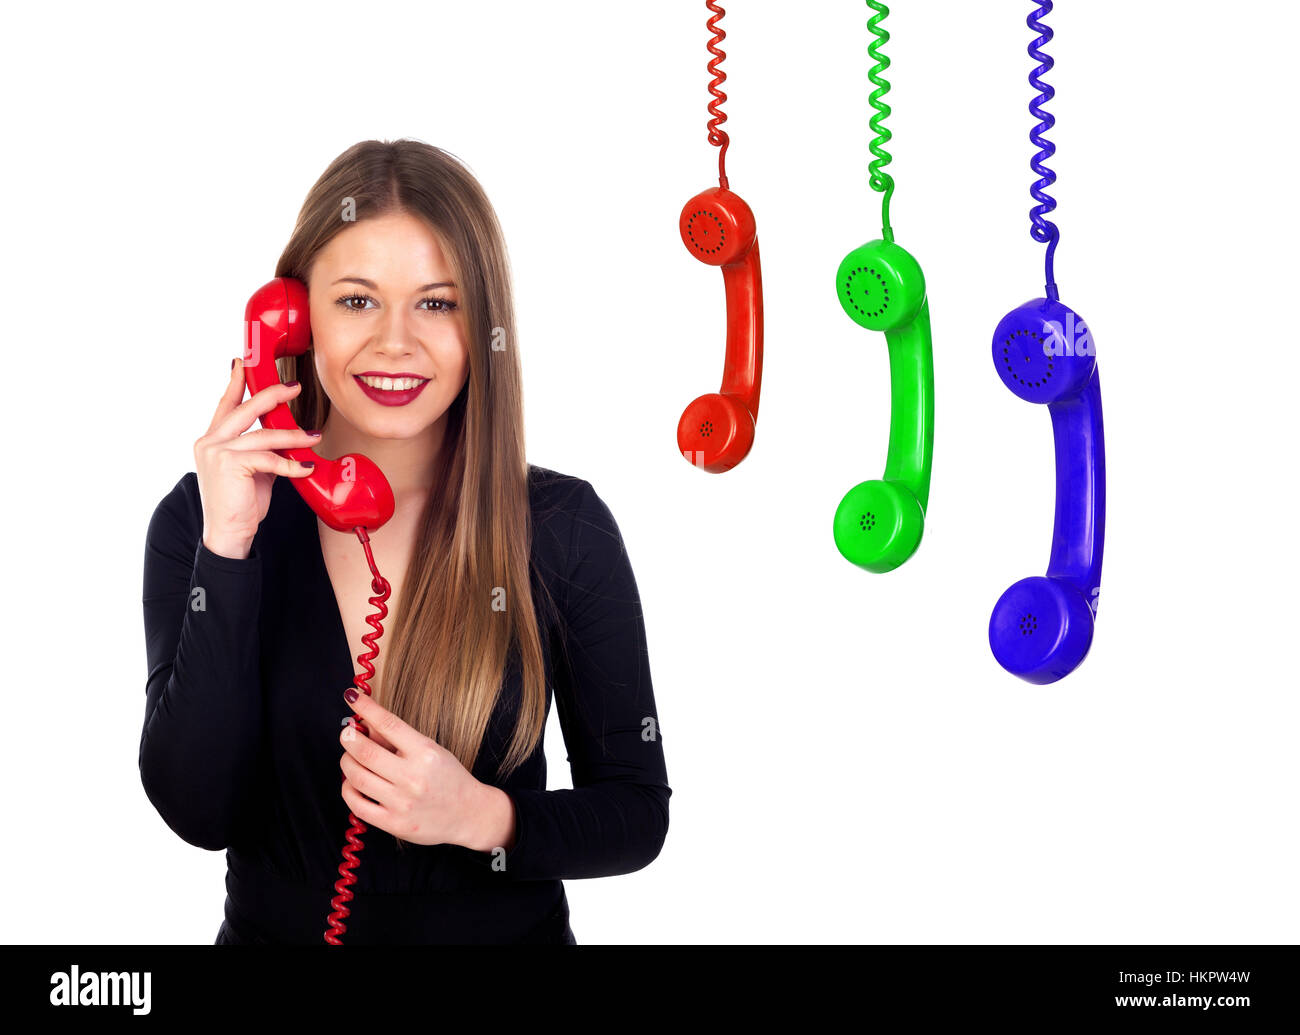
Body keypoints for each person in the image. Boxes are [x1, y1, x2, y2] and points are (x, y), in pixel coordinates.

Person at [140, 139, 671, 945]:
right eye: (356, 301)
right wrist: (229, 546)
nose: (396, 342)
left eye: (436, 303)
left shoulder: (562, 527)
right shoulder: (203, 519)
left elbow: (636, 810)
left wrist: (482, 816)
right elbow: (196, 808)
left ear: (481, 323)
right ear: (291, 314)